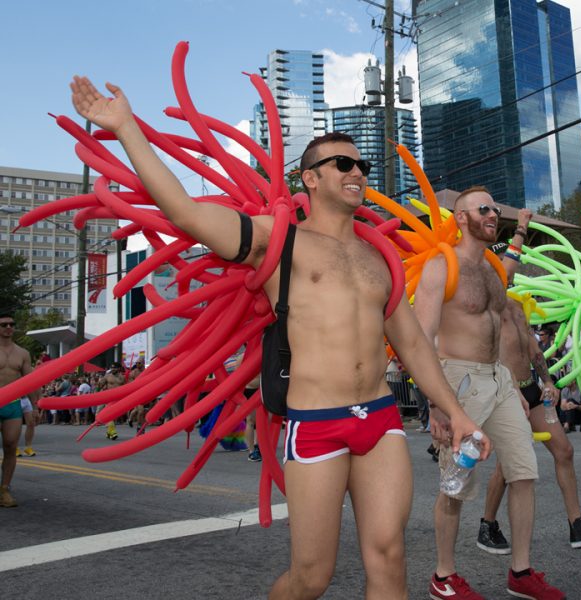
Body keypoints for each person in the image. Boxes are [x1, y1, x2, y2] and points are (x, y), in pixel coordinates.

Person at [71, 77, 486, 600]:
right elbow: (185, 212)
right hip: (315, 423)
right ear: (310, 178)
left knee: (389, 556)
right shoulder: (275, 239)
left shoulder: (377, 254)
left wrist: (456, 411)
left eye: (362, 166)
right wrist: (128, 128)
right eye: (343, 164)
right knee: (312, 576)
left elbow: (413, 345)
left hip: (379, 419)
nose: (357, 172)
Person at [413, 186, 563, 600]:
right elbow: (421, 338)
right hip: (456, 381)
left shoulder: (495, 269)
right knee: (456, 483)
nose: (493, 214)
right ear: (461, 218)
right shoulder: (440, 266)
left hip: (498, 379)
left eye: (495, 208)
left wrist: (510, 382)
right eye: (483, 209)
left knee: (524, 472)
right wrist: (437, 405)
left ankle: (521, 571)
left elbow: (499, 332)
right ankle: (444, 576)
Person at [477, 295, 581, 555]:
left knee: (564, 451)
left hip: (530, 390)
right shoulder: (483, 306)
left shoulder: (516, 305)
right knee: (509, 464)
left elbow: (531, 347)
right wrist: (507, 388)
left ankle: (577, 523)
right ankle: (487, 525)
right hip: (505, 393)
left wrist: (548, 381)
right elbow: (487, 355)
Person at [1, 313, 38, 508]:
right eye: (4, 324)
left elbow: (30, 380)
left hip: (13, 404)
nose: (8, 327)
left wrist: (35, 406)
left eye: (11, 324)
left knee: (10, 446)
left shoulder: (22, 353)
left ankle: (4, 489)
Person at [97, 365, 125, 439]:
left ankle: (109, 432)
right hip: (109, 397)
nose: (113, 369)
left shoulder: (122, 377)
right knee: (109, 414)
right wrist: (101, 384)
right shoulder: (107, 376)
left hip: (118, 398)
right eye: (112, 368)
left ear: (118, 368)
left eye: (114, 367)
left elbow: (126, 387)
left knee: (113, 416)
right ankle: (113, 432)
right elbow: (100, 385)